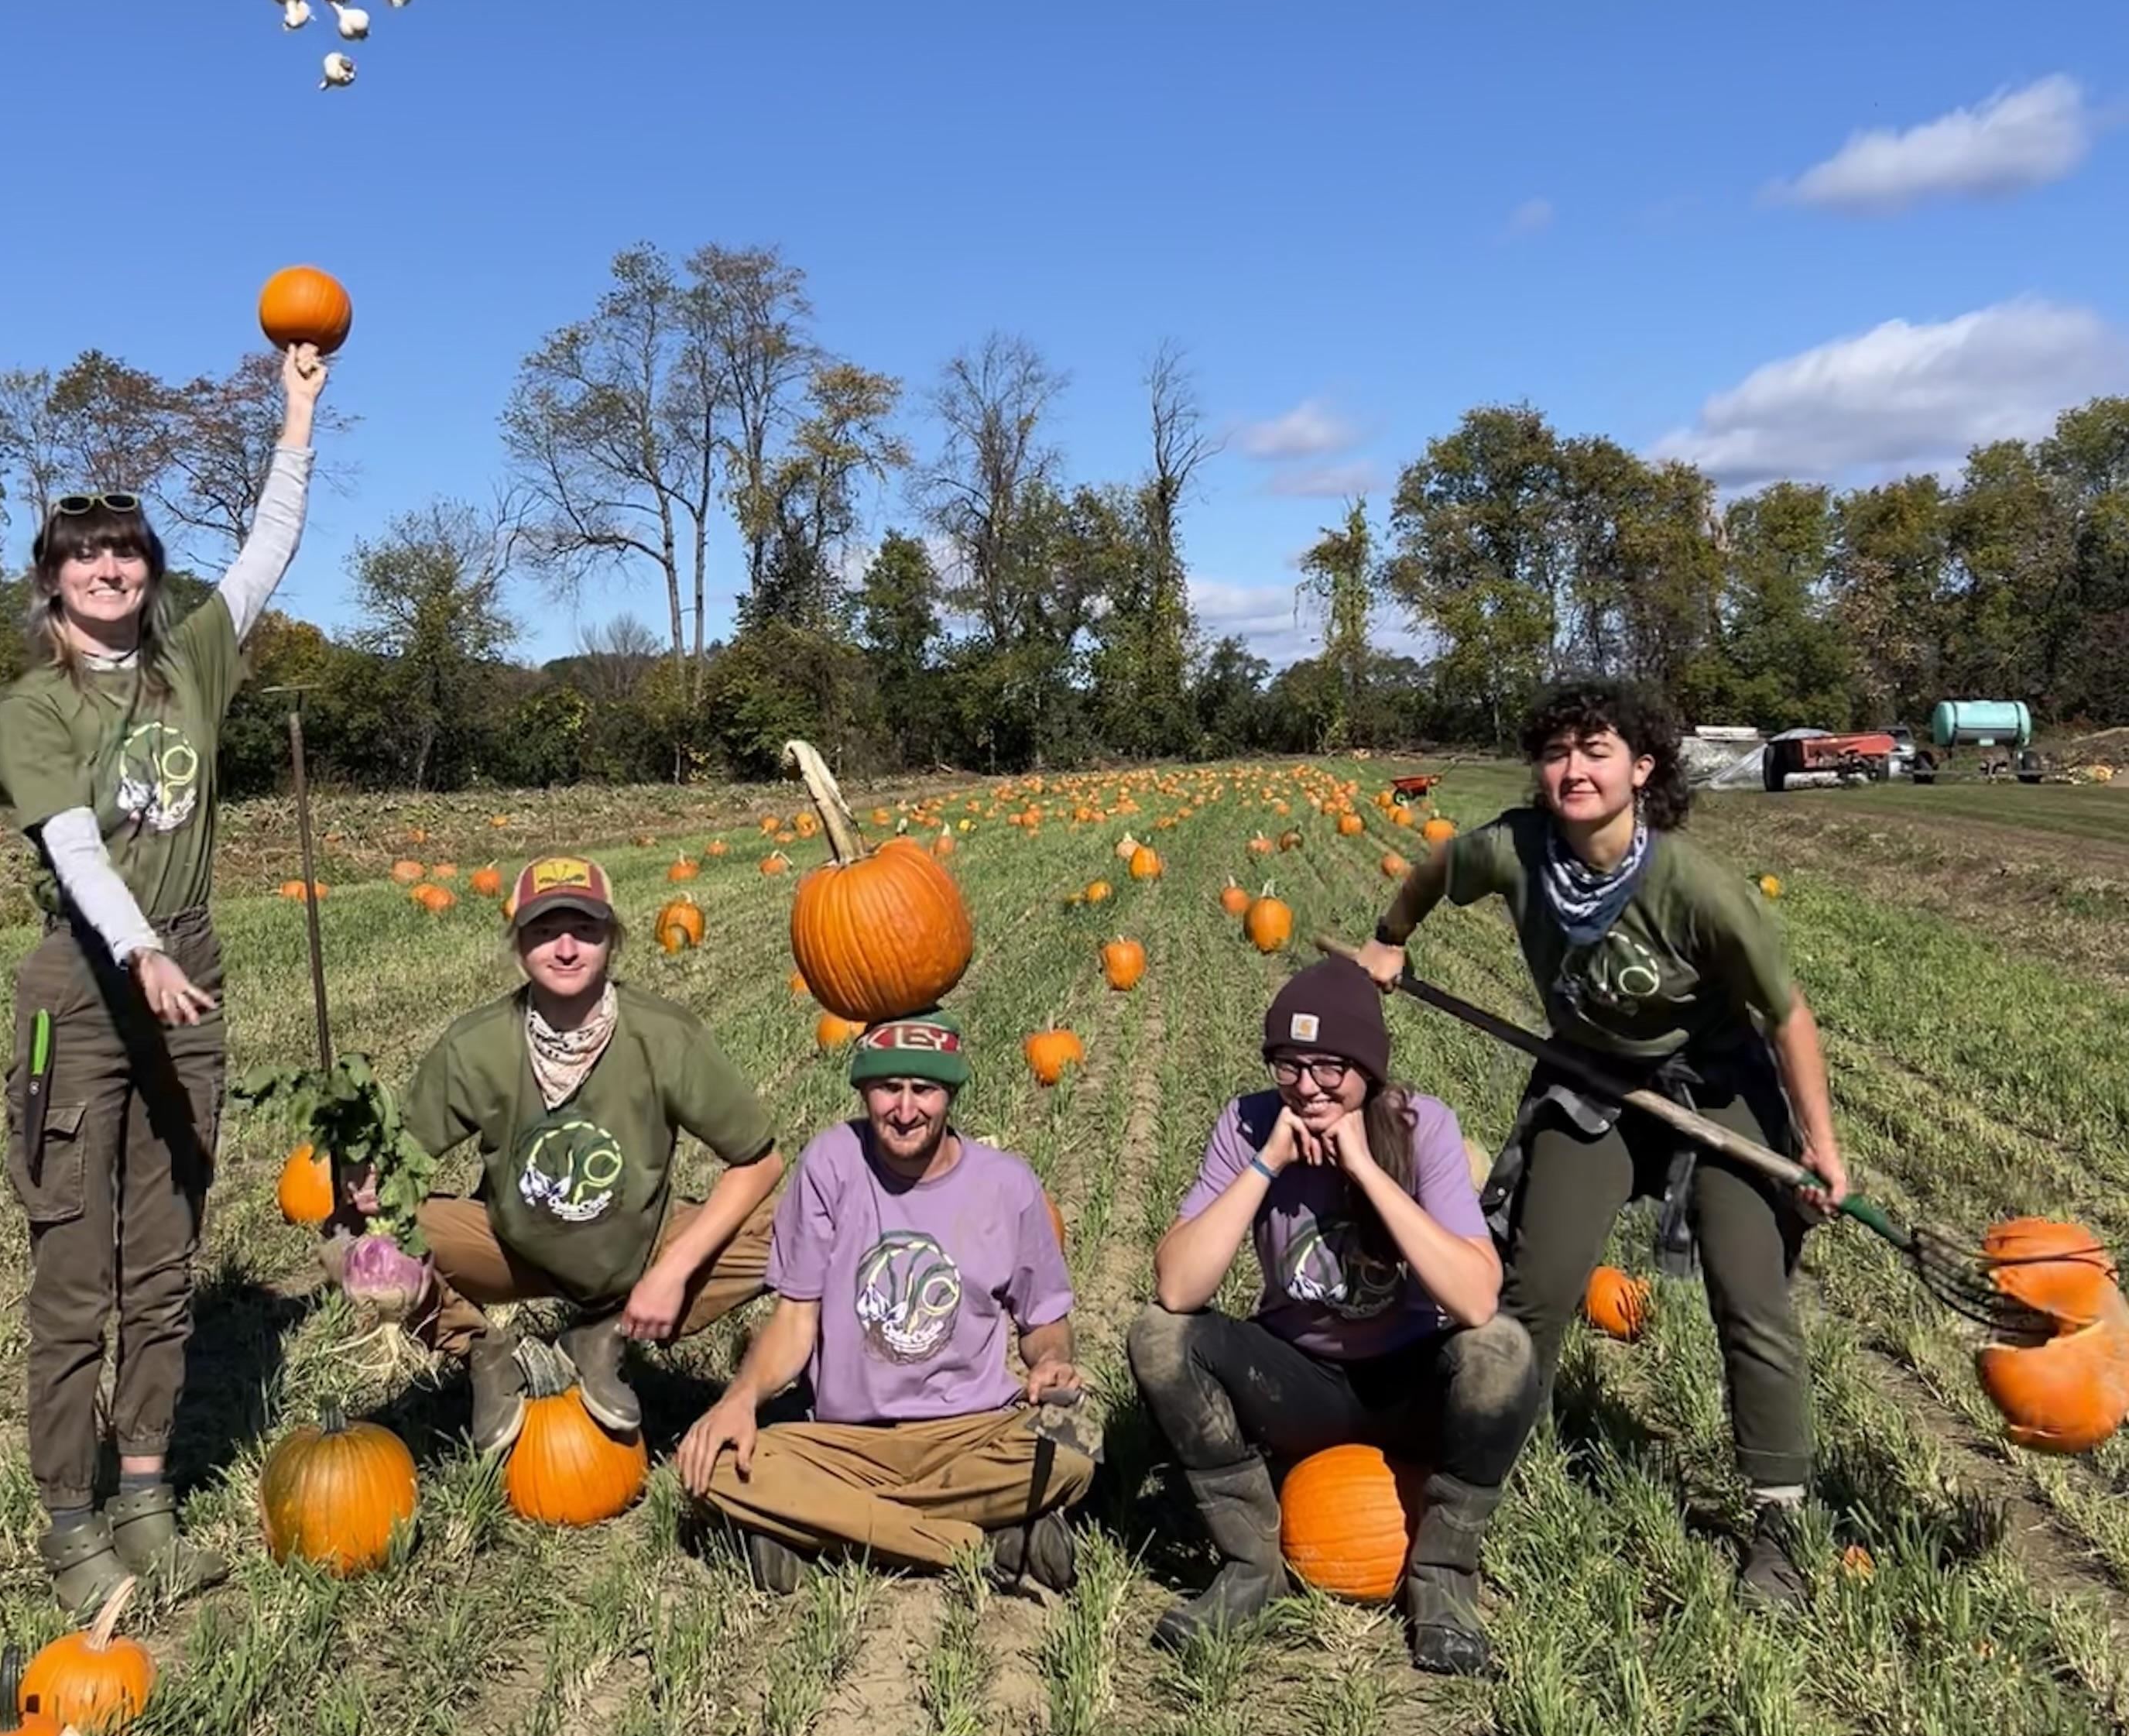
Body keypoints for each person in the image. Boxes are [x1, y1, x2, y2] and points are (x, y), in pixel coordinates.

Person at [1355, 674, 1848, 1618]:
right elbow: (1429, 874)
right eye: (1557, 753)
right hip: (1592, 1085)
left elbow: (1787, 1015)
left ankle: (1779, 1524)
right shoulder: (1516, 849)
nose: (1573, 770)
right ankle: (1472, 1494)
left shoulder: (1695, 888)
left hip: (1716, 1087)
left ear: (1642, 768)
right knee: (1533, 1293)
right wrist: (1389, 940)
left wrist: (1821, 1149)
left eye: (1597, 751)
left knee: (1750, 1296)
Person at [0, 341, 328, 1609]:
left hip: (189, 960)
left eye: (126, 549)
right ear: (56, 581)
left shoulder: (194, 662)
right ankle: (70, 1522)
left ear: (146, 568)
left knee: (165, 1260)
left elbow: (267, 547)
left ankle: (145, 1496)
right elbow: (74, 845)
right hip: (84, 983)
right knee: (76, 1272)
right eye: (85, 554)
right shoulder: (36, 708)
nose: (110, 566)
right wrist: (133, 945)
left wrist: (295, 412)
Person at [1130, 955, 1531, 1673]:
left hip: (1406, 1381)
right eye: (1289, 1065)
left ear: (1368, 1069)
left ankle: (1443, 1581)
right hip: (1299, 1380)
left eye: (1328, 1068)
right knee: (1159, 1339)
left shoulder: (1421, 1126)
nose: (1308, 1086)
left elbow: (1475, 1297)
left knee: (1501, 1351)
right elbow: (1178, 1288)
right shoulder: (1250, 1122)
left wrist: (1368, 1172)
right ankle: (1252, 1565)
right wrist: (1268, 1162)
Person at [336, 856, 785, 1453]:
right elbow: (401, 1161)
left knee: (799, 1226)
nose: (566, 948)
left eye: (585, 930)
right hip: (513, 1247)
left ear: (613, 939)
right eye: (545, 932)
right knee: (352, 1236)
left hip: (641, 1250)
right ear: (519, 944)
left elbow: (760, 1161)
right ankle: (483, 1353)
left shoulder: (666, 1036)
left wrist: (671, 1275)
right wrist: (365, 1175)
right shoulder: (476, 1045)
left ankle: (605, 1336)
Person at [675, 1014, 1093, 1592]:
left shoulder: (1008, 1185)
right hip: (849, 1441)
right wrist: (740, 1399)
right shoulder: (830, 1163)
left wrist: (1049, 1361)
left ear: (950, 1092)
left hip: (969, 1432)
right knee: (714, 1467)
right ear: (863, 1090)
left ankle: (817, 1527)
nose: (904, 1109)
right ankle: (975, 1541)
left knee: (1076, 1450)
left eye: (923, 1089)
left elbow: (1044, 1317)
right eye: (886, 1088)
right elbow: (795, 1319)